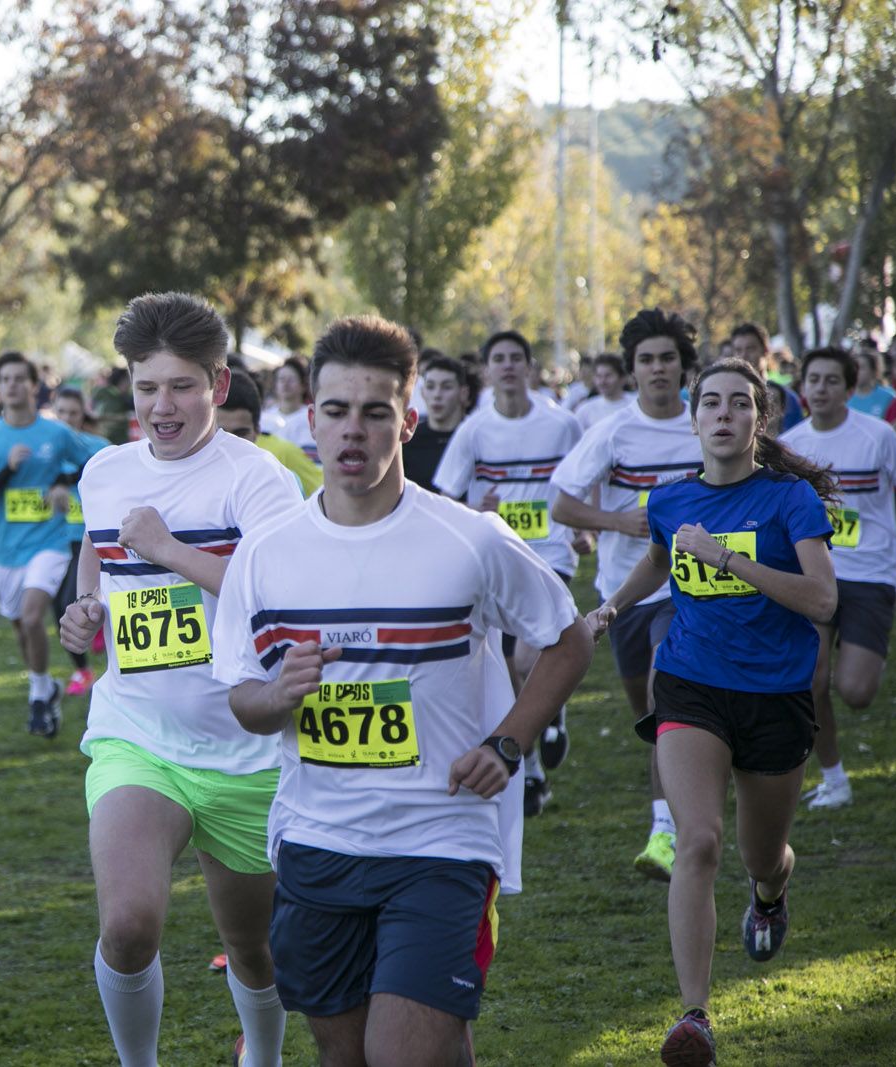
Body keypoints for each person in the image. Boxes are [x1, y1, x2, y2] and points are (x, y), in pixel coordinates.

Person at [214, 313, 592, 1067]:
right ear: (310, 418)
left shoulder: (469, 538)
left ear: (408, 420)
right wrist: (280, 693)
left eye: (374, 411)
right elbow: (244, 704)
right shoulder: (265, 553)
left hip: (441, 837)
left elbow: (567, 636)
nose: (352, 431)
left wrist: (509, 740)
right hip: (317, 841)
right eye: (335, 410)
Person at [58, 292, 302, 1067]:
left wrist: (168, 550)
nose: (162, 406)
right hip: (139, 736)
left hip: (246, 749)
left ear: (219, 385)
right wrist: (85, 605)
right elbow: (98, 550)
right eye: (146, 387)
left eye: (182, 386)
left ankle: (259, 1057)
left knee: (253, 950)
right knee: (128, 925)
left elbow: (283, 600)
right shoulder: (104, 471)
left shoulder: (257, 480)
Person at [586, 357, 837, 1067]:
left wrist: (728, 559)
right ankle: (694, 1015)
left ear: (759, 421)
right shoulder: (671, 501)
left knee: (763, 855)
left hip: (775, 695)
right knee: (697, 841)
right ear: (694, 419)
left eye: (738, 404)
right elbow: (663, 559)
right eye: (711, 404)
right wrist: (610, 607)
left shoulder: (790, 501)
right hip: (691, 683)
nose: (723, 414)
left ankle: (769, 894)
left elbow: (822, 601)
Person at [551, 308, 704, 881]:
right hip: (627, 591)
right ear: (631, 370)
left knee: (670, 693)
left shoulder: (704, 422)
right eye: (647, 360)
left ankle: (665, 831)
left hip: (694, 592)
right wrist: (619, 523)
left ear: (684, 366)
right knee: (652, 718)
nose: (658, 368)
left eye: (668, 357)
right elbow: (562, 504)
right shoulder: (613, 430)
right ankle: (687, 789)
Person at [434, 329, 585, 816]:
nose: (507, 366)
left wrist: (587, 529)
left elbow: (583, 481)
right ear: (486, 369)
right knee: (508, 669)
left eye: (516, 358)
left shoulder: (561, 424)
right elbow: (446, 498)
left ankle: (553, 710)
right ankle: (535, 766)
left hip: (551, 551)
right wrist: (478, 507)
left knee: (526, 658)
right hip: (498, 557)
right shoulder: (474, 430)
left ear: (529, 366)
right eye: (498, 358)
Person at [781, 347, 896, 809]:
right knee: (809, 679)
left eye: (832, 380)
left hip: (872, 573)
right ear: (803, 386)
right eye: (813, 379)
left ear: (850, 389)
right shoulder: (791, 444)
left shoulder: (877, 436)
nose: (821, 388)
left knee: (855, 692)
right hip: (816, 573)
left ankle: (865, 652)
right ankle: (835, 779)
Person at [0, 351, 104, 737]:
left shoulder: (55, 433)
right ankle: (46, 686)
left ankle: (38, 697)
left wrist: (62, 482)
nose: (11, 385)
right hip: (8, 551)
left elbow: (95, 459)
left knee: (31, 617)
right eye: (4, 379)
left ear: (32, 385)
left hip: (50, 543)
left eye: (17, 378)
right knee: (21, 629)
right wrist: (7, 469)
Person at [52, 386, 112, 694]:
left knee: (67, 601)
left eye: (73, 413)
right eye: (60, 412)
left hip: (88, 539)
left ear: (83, 414)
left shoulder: (97, 447)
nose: (66, 419)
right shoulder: (46, 449)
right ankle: (83, 670)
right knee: (55, 604)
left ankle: (88, 668)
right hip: (55, 539)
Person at [216, 359, 321, 497]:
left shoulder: (283, 457)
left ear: (257, 429)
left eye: (240, 434)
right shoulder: (186, 468)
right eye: (220, 433)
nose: (231, 443)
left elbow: (324, 494)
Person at [400, 355, 468, 493]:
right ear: (422, 392)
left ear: (463, 393)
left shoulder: (474, 437)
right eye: (430, 386)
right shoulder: (408, 439)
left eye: (446, 387)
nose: (437, 394)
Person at [729, 323, 803, 433]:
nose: (744, 355)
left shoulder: (786, 397)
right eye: (738, 350)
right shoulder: (724, 396)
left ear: (765, 350)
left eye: (750, 349)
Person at [260, 356, 317, 462]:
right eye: (281, 379)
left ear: (303, 385)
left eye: (291, 380)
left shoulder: (311, 418)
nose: (285, 384)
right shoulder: (264, 418)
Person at [575, 353, 634, 431]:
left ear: (622, 378)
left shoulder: (636, 404)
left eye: (608, 376)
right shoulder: (585, 409)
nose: (602, 381)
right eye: (598, 376)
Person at [847, 344, 895, 419]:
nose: (856, 371)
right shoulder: (844, 396)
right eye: (854, 367)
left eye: (861, 368)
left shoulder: (888, 397)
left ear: (874, 371)